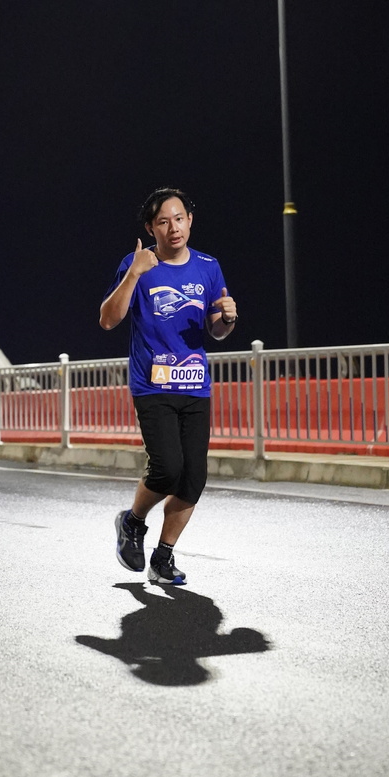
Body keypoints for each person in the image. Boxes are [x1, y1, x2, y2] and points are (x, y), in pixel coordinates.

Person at [100, 187, 237, 586]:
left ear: (190, 221)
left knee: (194, 478)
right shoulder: (137, 264)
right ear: (151, 228)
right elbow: (108, 320)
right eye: (163, 221)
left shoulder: (209, 267)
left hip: (195, 384)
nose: (173, 228)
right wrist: (134, 273)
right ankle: (132, 521)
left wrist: (227, 319)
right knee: (167, 469)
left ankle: (163, 558)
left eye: (179, 219)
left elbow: (215, 331)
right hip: (153, 384)